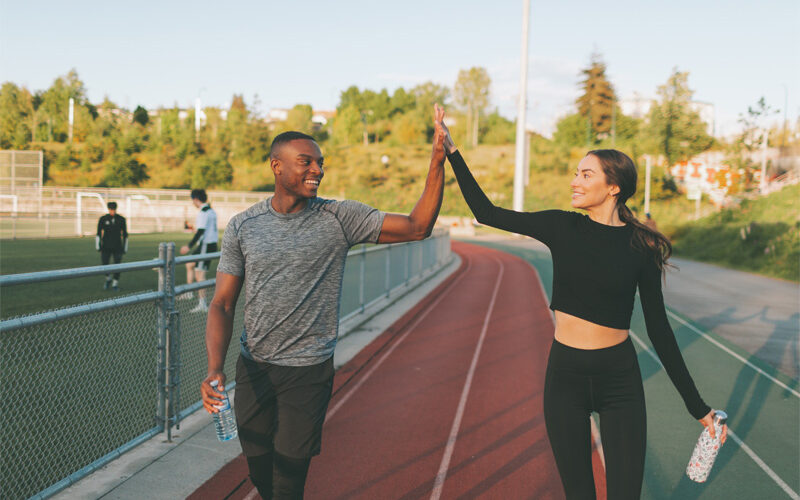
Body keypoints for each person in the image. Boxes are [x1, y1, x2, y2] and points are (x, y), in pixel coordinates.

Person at [440, 124, 727, 499]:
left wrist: (698, 408)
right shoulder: (562, 226)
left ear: (613, 187)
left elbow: (659, 330)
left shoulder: (642, 246)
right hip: (565, 378)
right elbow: (486, 212)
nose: (575, 181)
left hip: (619, 380)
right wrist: (452, 150)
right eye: (576, 173)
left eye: (585, 174)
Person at [200, 105, 448, 499]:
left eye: (320, 163)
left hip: (307, 372)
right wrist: (215, 368)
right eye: (305, 162)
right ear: (276, 167)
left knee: (289, 481)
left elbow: (418, 227)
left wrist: (437, 162)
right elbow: (222, 305)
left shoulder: (339, 217)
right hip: (254, 369)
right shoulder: (244, 226)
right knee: (261, 470)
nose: (316, 169)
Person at [180, 189, 218, 312]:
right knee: (189, 264)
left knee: (200, 274)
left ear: (196, 200)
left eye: (193, 201)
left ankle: (203, 304)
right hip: (210, 244)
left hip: (205, 246)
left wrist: (188, 246)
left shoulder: (203, 212)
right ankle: (190, 292)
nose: (193, 203)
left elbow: (201, 231)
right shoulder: (211, 210)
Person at [96, 201, 128, 290]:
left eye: (113, 209)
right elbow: (98, 233)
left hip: (118, 246)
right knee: (104, 264)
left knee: (118, 265)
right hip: (105, 246)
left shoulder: (121, 219)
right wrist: (98, 246)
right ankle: (108, 278)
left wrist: (125, 247)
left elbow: (125, 234)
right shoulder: (103, 219)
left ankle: (115, 284)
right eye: (111, 209)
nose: (112, 211)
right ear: (108, 209)